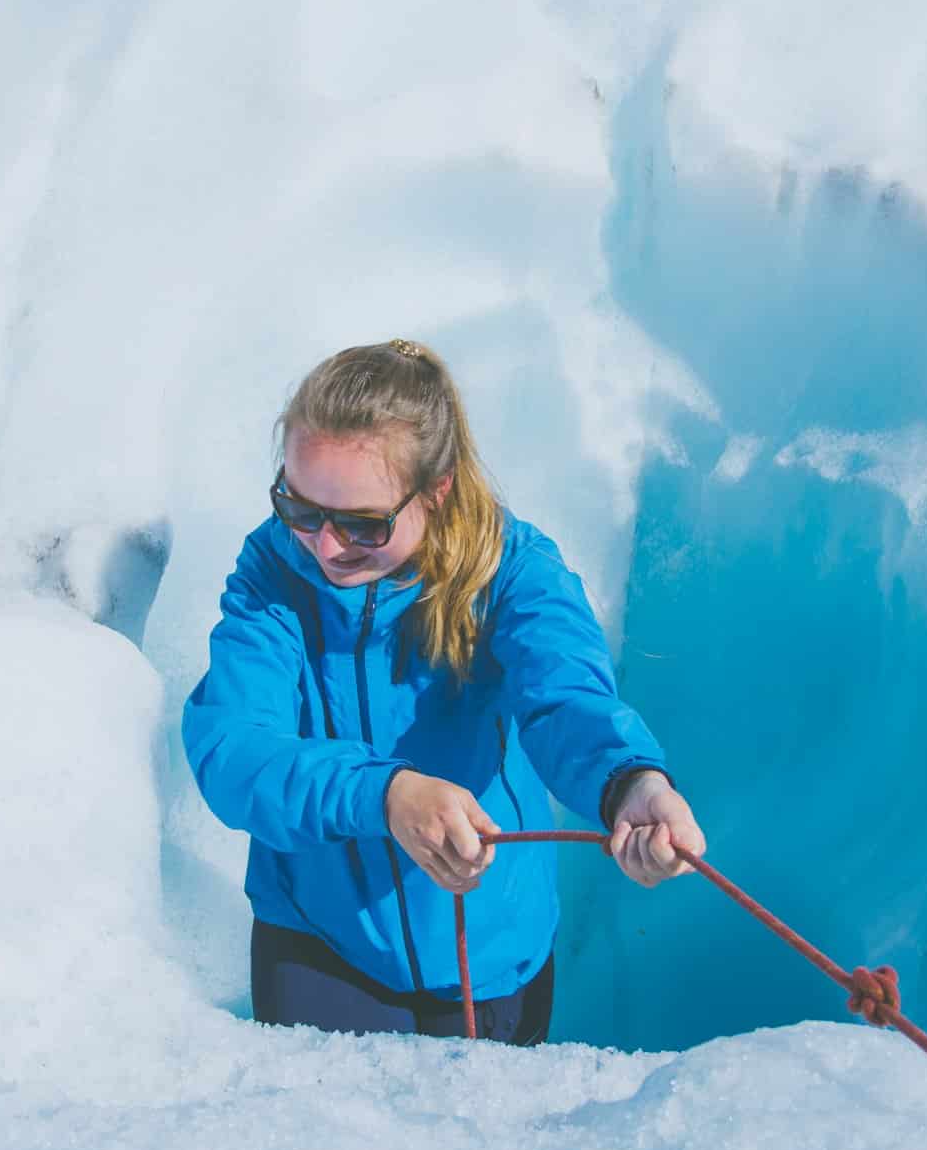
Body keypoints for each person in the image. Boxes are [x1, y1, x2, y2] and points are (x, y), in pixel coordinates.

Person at [182, 339, 706, 1044]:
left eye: (363, 524)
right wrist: (386, 794)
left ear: (438, 488)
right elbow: (235, 748)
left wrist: (629, 780)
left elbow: (566, 698)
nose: (326, 546)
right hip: (320, 945)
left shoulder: (512, 570)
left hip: (492, 956)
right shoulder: (272, 576)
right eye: (300, 507)